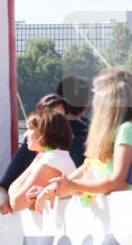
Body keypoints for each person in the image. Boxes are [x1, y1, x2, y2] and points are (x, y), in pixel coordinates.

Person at [37, 67, 132, 210]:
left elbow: (117, 181)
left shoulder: (126, 129)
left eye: (96, 96)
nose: (93, 103)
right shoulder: (114, 132)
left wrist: (72, 186)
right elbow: (88, 167)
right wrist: (53, 189)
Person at [5, 108, 76, 212]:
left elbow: (16, 203)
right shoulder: (57, 157)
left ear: (44, 131)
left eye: (30, 129)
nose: (25, 135)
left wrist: (35, 163)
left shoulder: (50, 161)